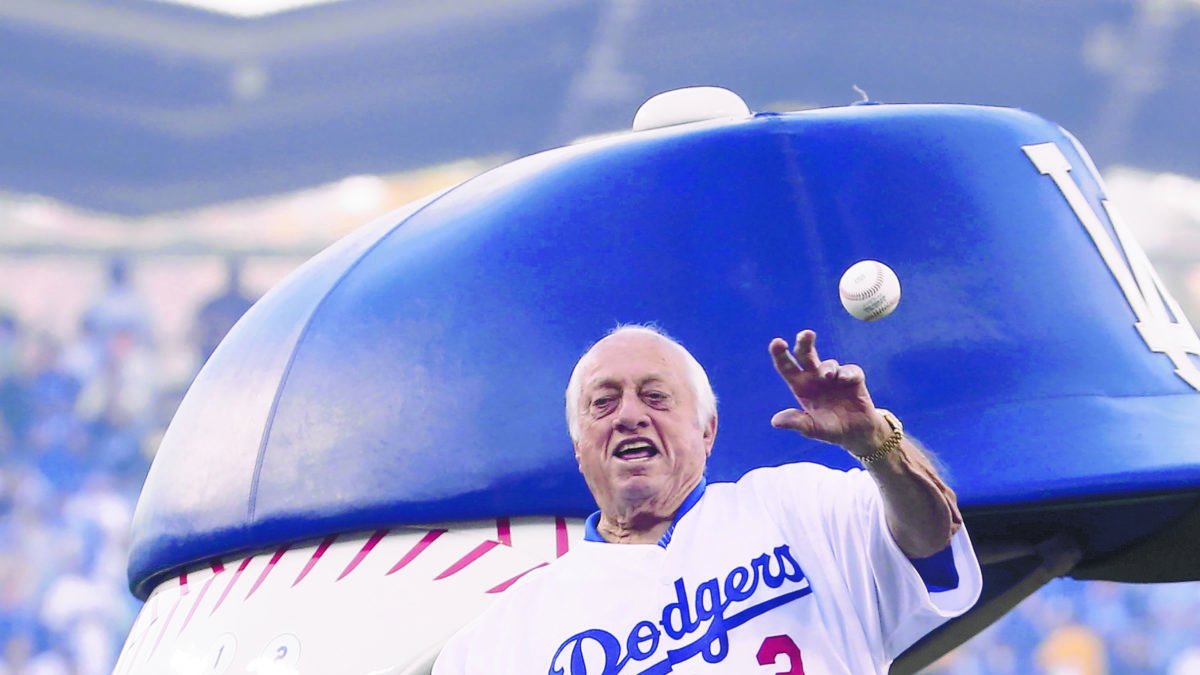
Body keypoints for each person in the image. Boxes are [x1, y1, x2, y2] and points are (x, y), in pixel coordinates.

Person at [433, 325, 982, 674]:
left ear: (706, 431)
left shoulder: (795, 505)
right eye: (603, 403)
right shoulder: (503, 639)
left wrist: (879, 447)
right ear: (580, 448)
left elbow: (933, 536)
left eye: (655, 396)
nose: (629, 414)